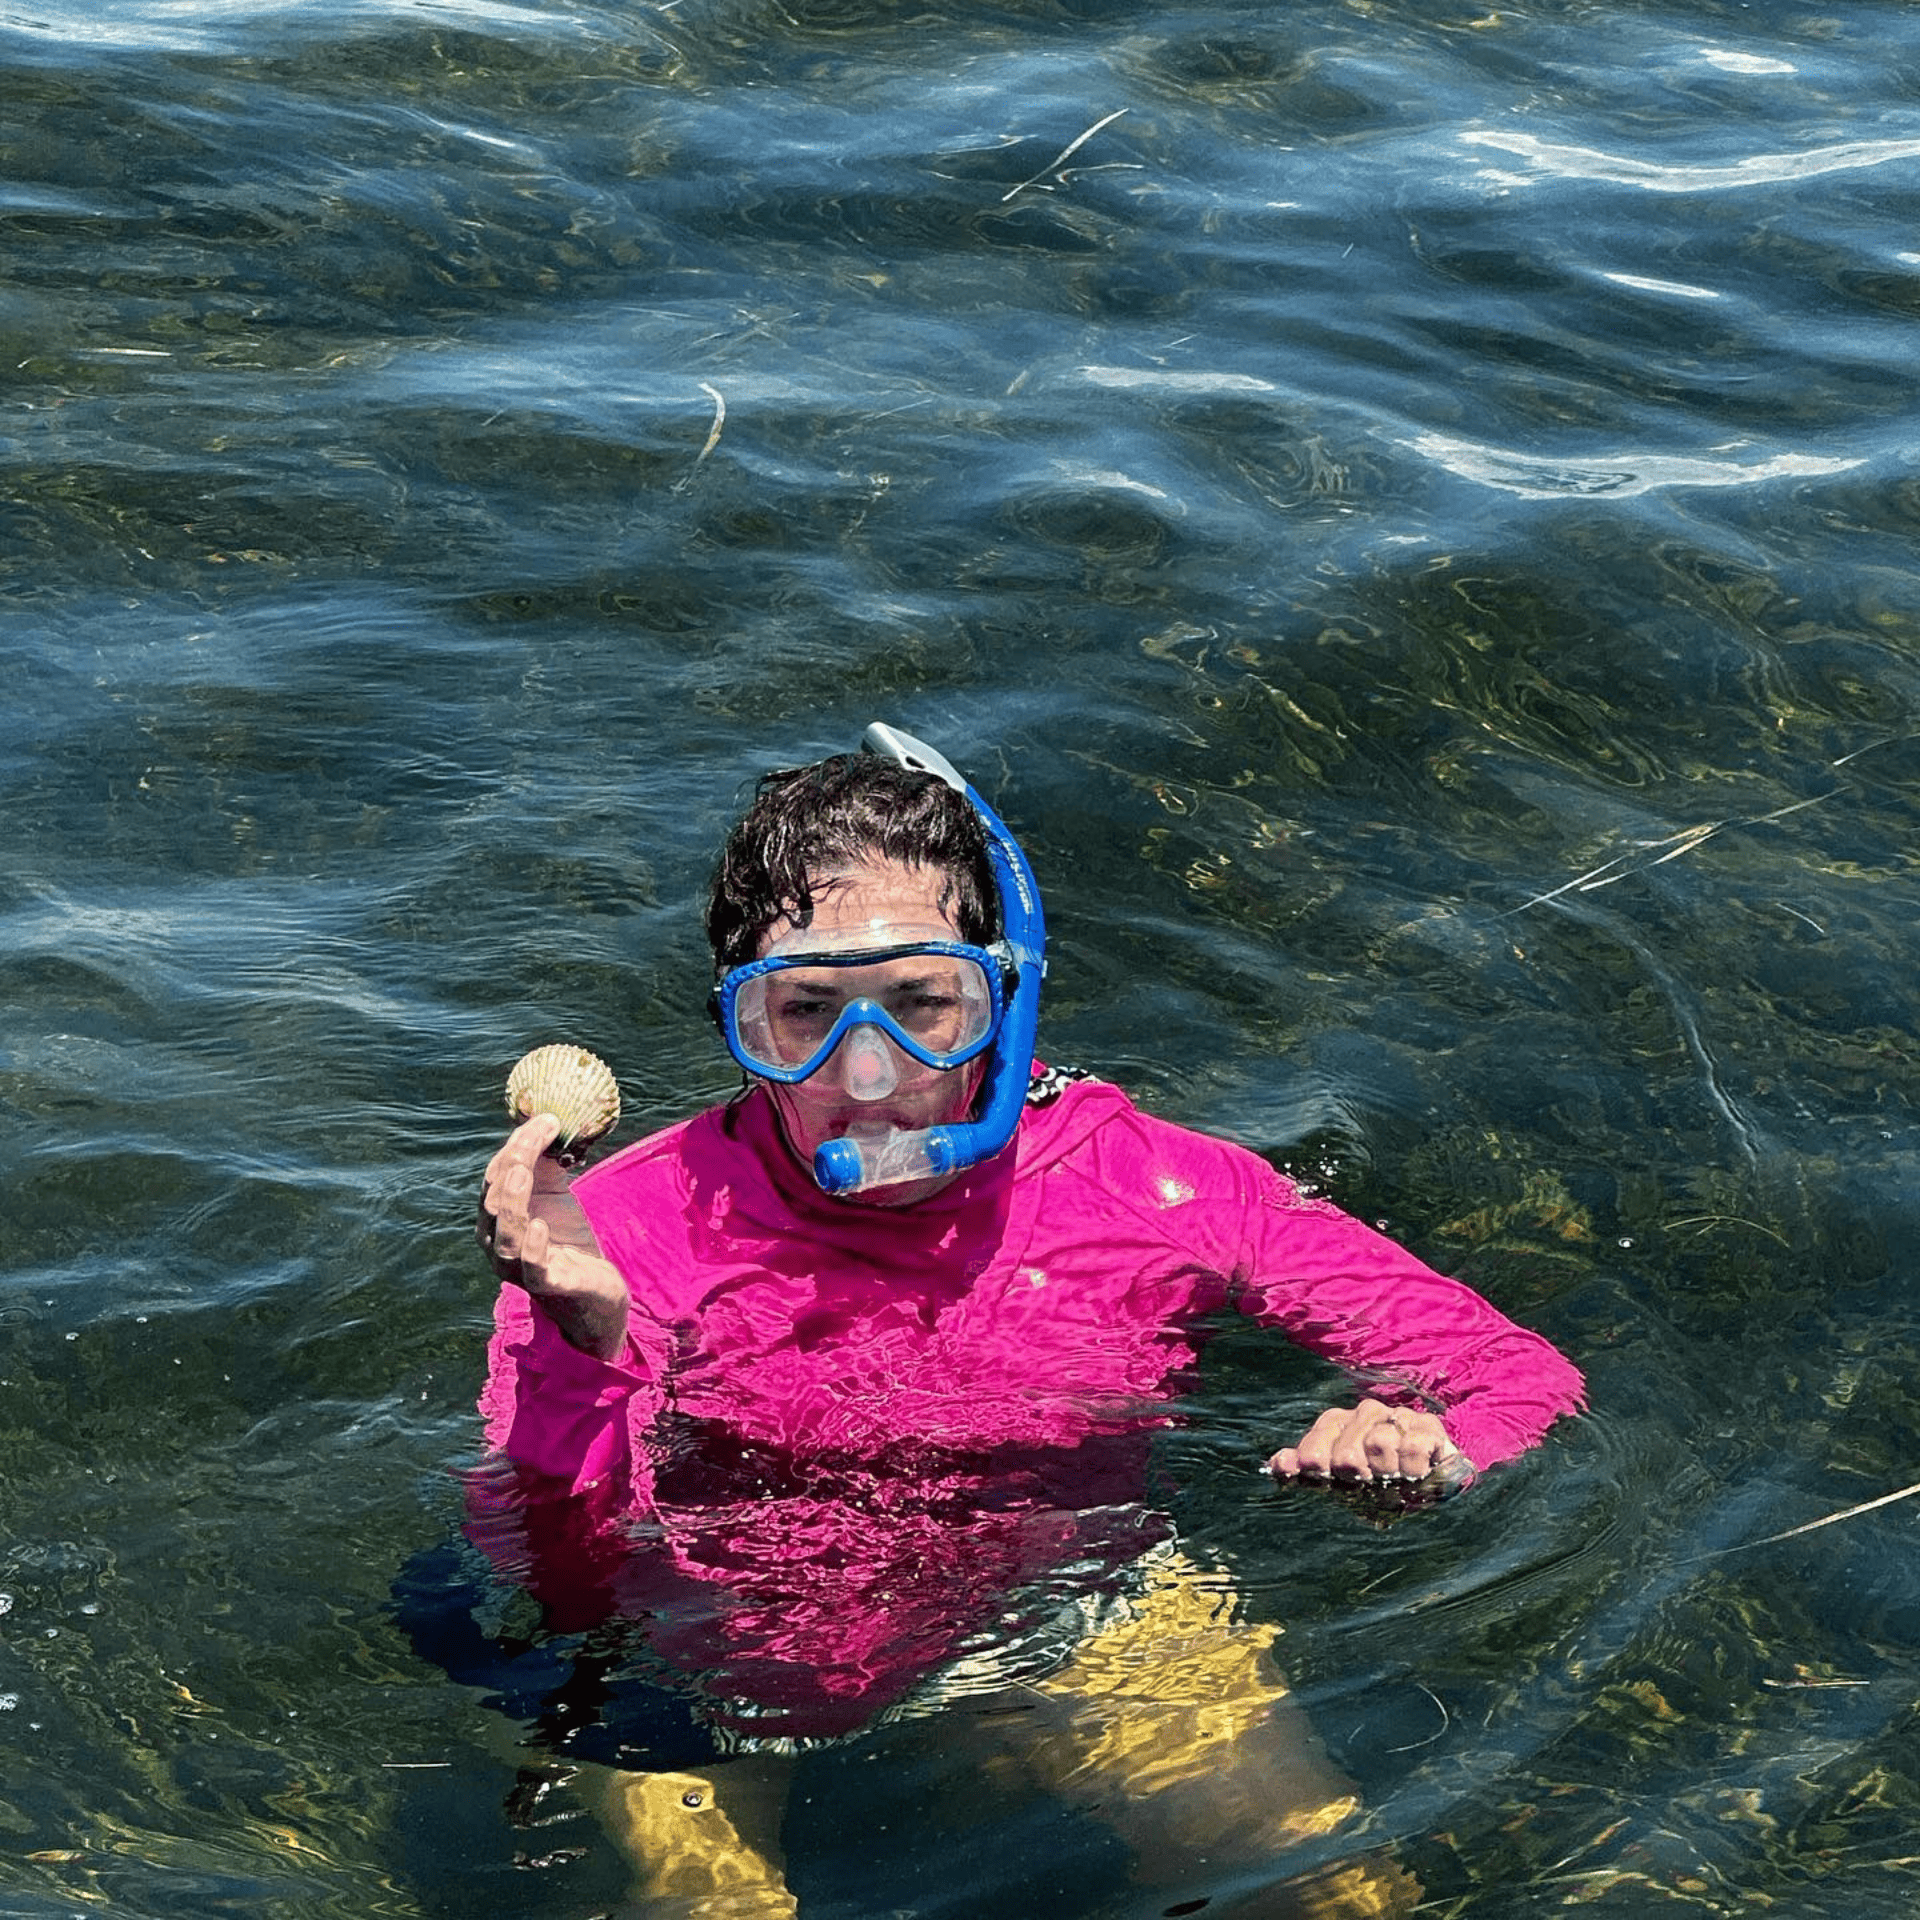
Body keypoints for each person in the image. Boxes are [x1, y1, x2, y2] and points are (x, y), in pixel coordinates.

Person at [471, 724, 1585, 1918]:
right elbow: (559, 1589)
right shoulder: (622, 1231)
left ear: (1003, 999)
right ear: (742, 1028)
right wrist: (581, 1351)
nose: (868, 1074)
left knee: (1331, 1895)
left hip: (1073, 1608)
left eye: (919, 1004)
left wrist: (1432, 1450)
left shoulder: (1158, 1189)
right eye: (805, 1013)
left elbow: (1515, 1377)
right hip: (713, 1663)